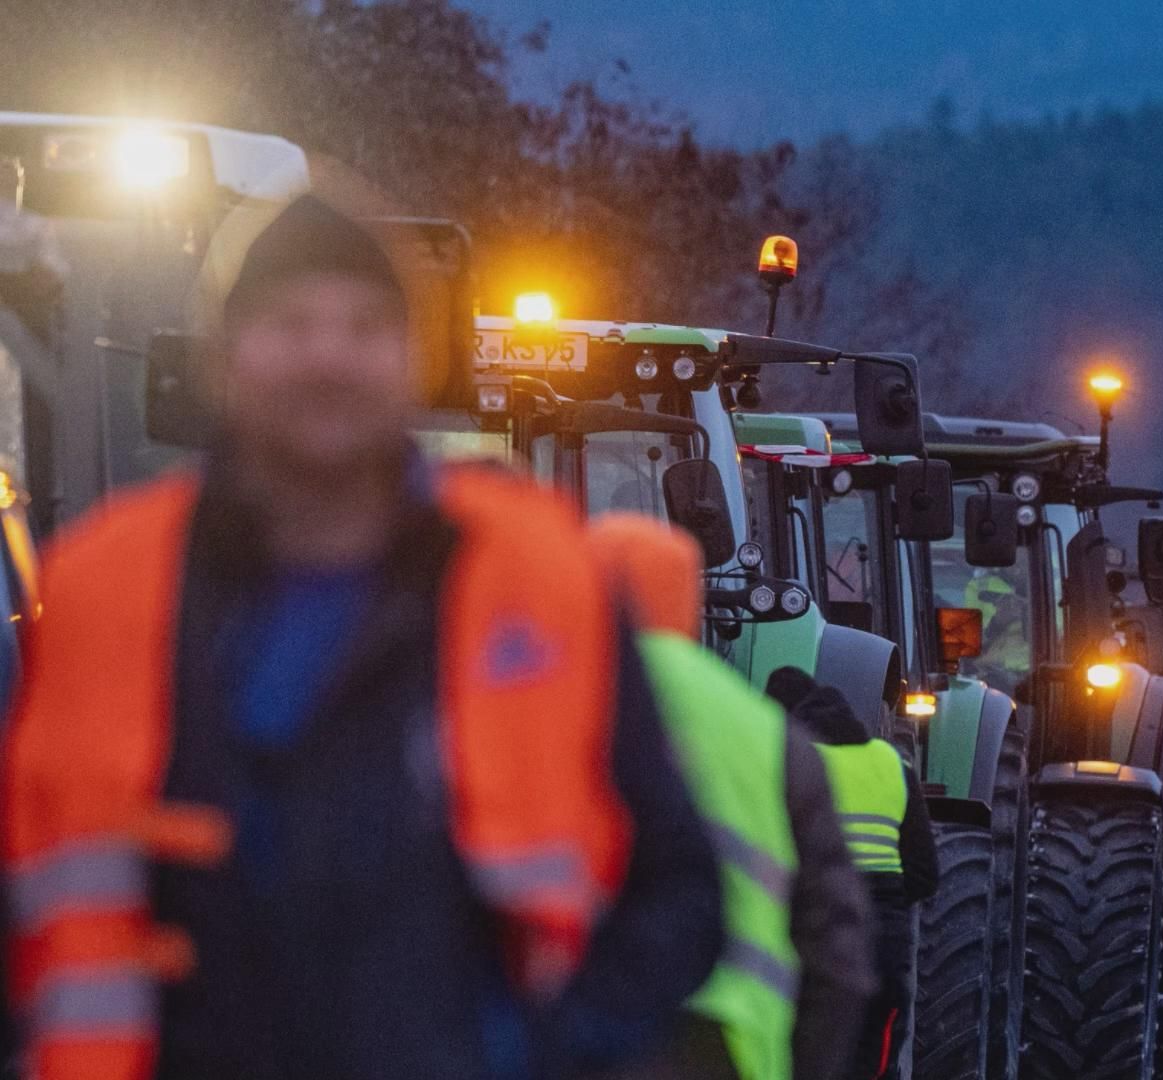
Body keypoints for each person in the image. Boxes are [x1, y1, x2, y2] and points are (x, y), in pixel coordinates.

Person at [0, 195, 724, 1080]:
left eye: (365, 325)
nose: (327, 354)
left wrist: (551, 1049)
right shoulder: (100, 586)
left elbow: (677, 888)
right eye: (290, 322)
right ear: (222, 361)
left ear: (418, 361)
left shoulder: (541, 577)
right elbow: (29, 879)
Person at [588, 514, 878, 1080]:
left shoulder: (517, 705)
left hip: (566, 1035)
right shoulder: (773, 737)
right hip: (726, 1047)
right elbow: (839, 962)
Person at [767, 668, 938, 1080]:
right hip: (882, 943)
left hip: (802, 938)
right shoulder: (891, 763)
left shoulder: (785, 761)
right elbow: (925, 873)